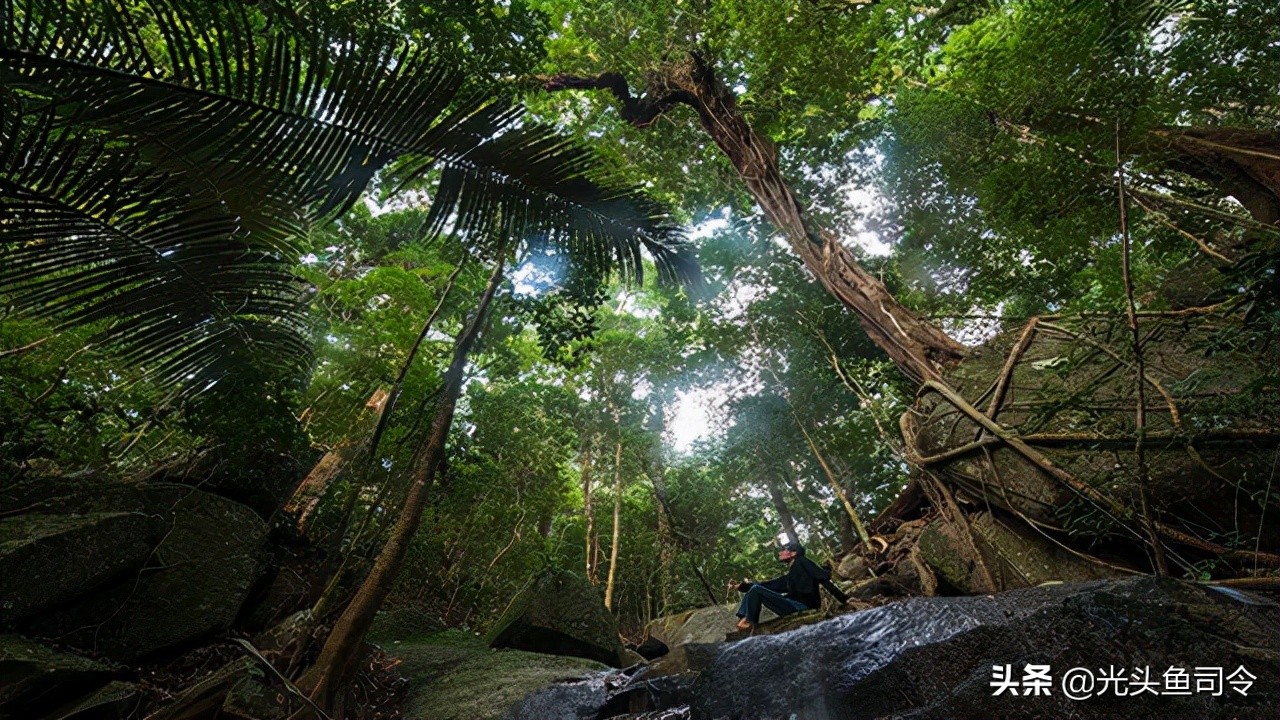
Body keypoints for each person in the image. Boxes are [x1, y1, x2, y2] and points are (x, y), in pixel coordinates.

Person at [732, 541, 849, 630]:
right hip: (791, 605)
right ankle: (745, 621)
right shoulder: (790, 576)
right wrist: (741, 586)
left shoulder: (802, 561)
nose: (780, 552)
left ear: (793, 553)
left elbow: (822, 578)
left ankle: (749, 621)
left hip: (801, 606)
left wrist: (845, 599)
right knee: (755, 589)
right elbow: (769, 586)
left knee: (756, 589)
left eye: (784, 550)